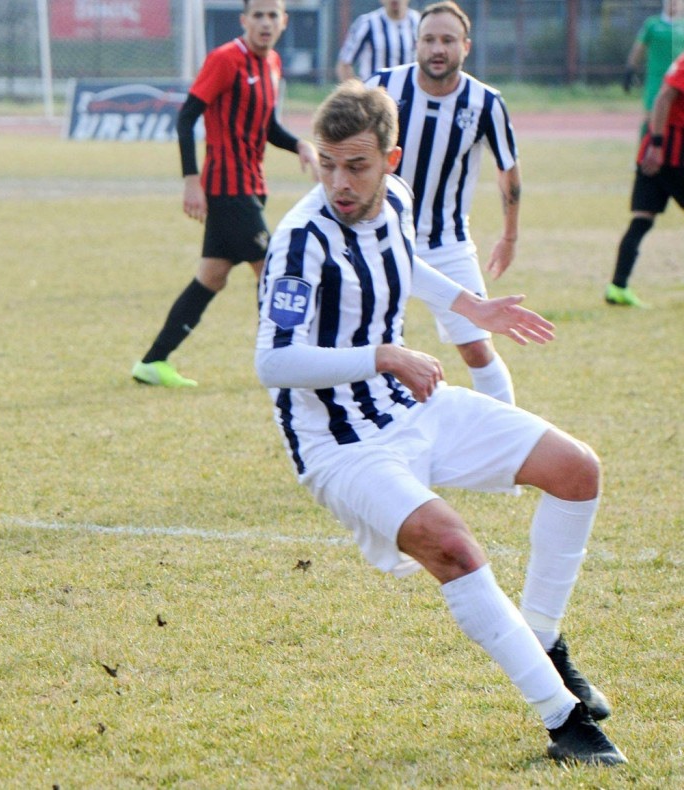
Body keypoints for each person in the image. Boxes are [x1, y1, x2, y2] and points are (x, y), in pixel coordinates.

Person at [254, 79, 625, 767]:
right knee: (452, 543)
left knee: (577, 470)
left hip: (408, 407)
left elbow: (401, 262)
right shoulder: (300, 239)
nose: (339, 180)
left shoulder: (394, 199)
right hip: (340, 445)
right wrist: (385, 354)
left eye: (357, 165)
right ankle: (564, 720)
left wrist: (472, 307)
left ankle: (541, 635)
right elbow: (272, 362)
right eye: (329, 163)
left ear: (390, 160)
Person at [131, 0, 317, 388]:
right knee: (271, 270)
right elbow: (186, 118)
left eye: (272, 16)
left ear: (283, 22)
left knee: (212, 277)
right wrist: (190, 181)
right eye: (258, 15)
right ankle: (282, 362)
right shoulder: (225, 59)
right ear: (244, 20)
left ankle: (153, 362)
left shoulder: (272, 64)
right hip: (228, 189)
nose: (265, 23)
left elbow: (266, 125)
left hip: (252, 186)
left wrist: (299, 144)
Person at [367, 2, 519, 405]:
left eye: (447, 40)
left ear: (465, 46)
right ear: (416, 44)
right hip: (380, 239)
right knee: (365, 345)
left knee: (477, 349)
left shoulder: (485, 102)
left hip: (446, 243)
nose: (438, 48)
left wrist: (509, 237)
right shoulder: (381, 87)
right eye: (429, 39)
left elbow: (509, 172)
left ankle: (508, 445)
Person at [610, 43, 684, 308]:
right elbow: (664, 97)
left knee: (642, 219)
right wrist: (657, 143)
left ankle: (617, 287)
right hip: (670, 151)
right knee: (642, 219)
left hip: (655, 149)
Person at [623, 0, 684, 117]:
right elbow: (638, 48)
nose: (673, 4)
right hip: (656, 78)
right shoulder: (652, 24)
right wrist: (630, 69)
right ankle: (649, 135)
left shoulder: (683, 24)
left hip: (679, 79)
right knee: (651, 116)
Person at [336, 0, 420, 82]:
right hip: (373, 92)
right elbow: (344, 65)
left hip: (407, 93)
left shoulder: (418, 22)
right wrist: (357, 92)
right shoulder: (368, 23)